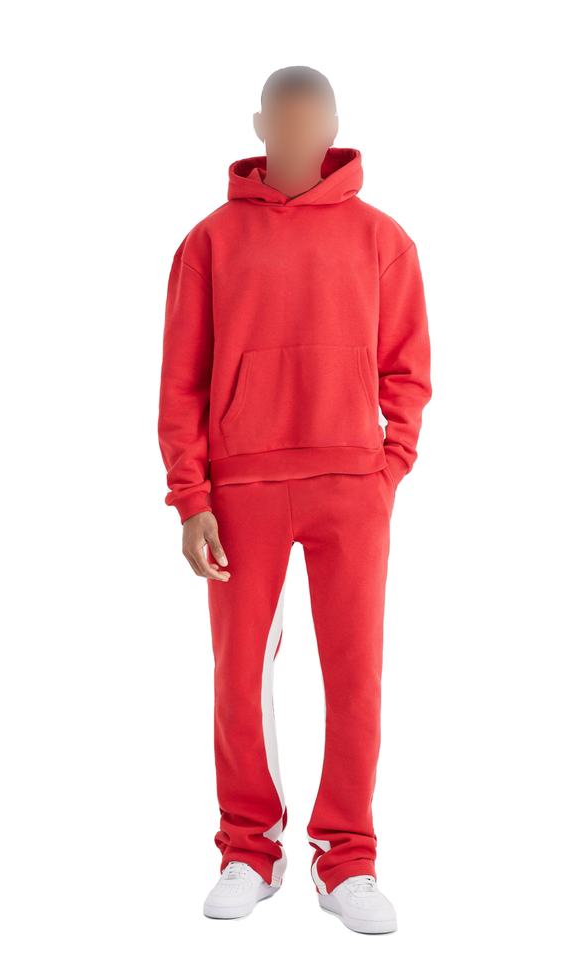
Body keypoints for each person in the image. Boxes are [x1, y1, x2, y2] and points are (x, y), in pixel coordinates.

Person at [157, 65, 432, 935]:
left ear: (335, 129)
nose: (299, 137)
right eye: (285, 121)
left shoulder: (383, 238)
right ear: (259, 126)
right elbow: (181, 382)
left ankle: (348, 860)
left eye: (315, 123)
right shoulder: (208, 242)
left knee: (356, 678)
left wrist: (388, 467)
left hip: (351, 486)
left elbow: (409, 367)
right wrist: (190, 497)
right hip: (242, 487)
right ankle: (249, 848)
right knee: (239, 675)